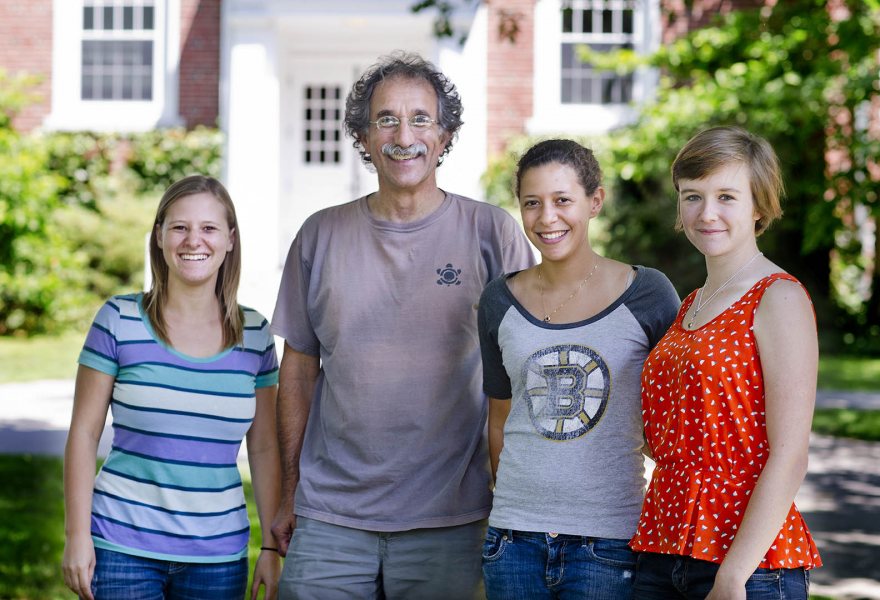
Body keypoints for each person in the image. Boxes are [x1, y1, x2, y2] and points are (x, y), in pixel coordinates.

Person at [270, 51, 534, 599]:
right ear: (363, 137)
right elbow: (297, 371)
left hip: (452, 517)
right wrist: (289, 490)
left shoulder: (492, 233)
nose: (403, 134)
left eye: (421, 119)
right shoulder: (319, 235)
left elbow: (524, 373)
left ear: (445, 135)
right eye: (386, 119)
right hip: (330, 517)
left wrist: (514, 501)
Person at [476, 139, 680, 599]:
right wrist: (508, 509)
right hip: (513, 542)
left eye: (562, 200)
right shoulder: (497, 301)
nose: (547, 218)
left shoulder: (648, 293)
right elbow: (500, 416)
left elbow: (670, 418)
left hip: (608, 542)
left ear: (595, 201)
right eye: (532, 203)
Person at [62, 175, 282, 600]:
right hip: (121, 547)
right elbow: (84, 434)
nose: (192, 240)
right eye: (179, 227)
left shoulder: (255, 334)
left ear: (230, 240)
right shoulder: (118, 319)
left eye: (208, 228)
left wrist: (271, 546)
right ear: (159, 236)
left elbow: (266, 447)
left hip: (217, 558)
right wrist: (76, 534)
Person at [629, 126, 822, 599]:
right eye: (692, 196)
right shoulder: (692, 301)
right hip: (663, 548)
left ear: (758, 206)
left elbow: (791, 454)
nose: (706, 213)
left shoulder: (778, 297)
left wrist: (733, 576)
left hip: (746, 564)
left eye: (727, 197)